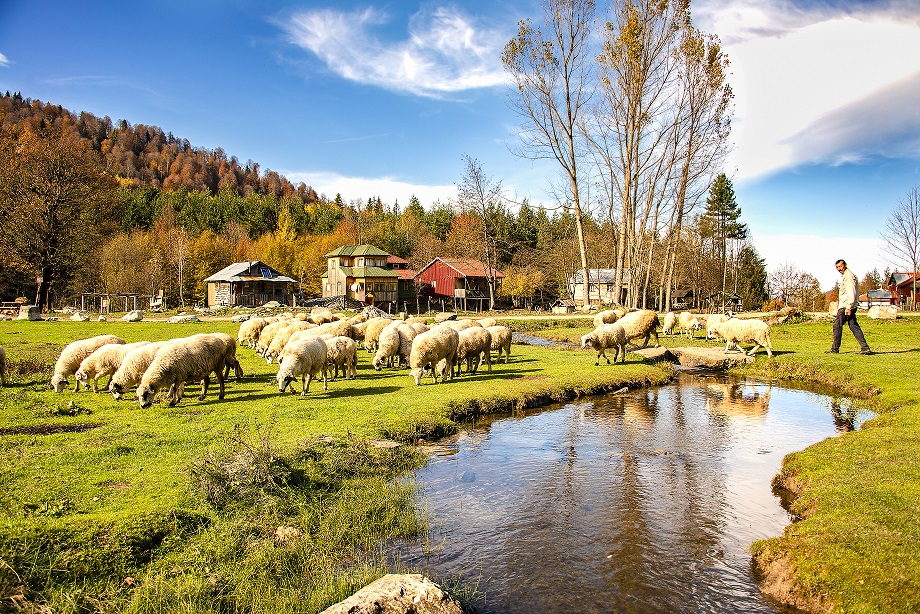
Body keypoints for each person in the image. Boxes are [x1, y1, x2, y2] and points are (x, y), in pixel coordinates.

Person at [828, 259, 873, 355]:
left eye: (840, 266)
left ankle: (835, 349)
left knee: (837, 326)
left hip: (846, 306)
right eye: (837, 267)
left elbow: (851, 292)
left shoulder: (848, 276)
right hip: (849, 305)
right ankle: (865, 348)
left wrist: (848, 307)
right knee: (853, 325)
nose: (839, 269)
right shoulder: (846, 275)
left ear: (845, 265)